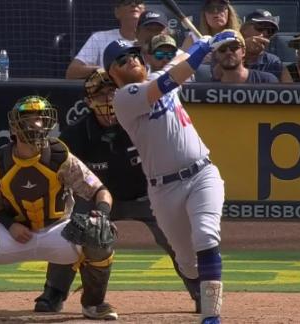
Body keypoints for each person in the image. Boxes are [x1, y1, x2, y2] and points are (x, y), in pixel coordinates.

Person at [0, 96, 119, 321]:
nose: (36, 124)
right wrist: (10, 224)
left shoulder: (61, 157)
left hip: (59, 232)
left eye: (40, 118)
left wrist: (103, 214)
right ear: (15, 127)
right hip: (15, 235)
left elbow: (100, 190)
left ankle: (94, 305)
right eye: (29, 119)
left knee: (98, 235)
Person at [33, 69, 201, 314]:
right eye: (101, 95)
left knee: (174, 236)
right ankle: (53, 293)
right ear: (88, 102)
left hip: (147, 195)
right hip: (96, 197)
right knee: (71, 232)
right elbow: (64, 174)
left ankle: (198, 288)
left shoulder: (144, 121)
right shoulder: (77, 134)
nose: (109, 99)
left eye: (113, 92)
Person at [103, 29, 238, 323]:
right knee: (188, 264)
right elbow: (169, 80)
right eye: (122, 59)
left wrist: (200, 43)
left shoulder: (158, 77)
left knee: (205, 233)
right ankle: (196, 280)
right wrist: (203, 50)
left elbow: (179, 61)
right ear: (112, 71)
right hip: (164, 190)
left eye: (135, 55)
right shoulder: (124, 98)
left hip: (202, 173)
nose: (132, 60)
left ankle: (211, 317)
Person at [65, 0, 145, 79]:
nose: (134, 4)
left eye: (138, 2)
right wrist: (108, 71)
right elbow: (72, 72)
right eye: (127, 2)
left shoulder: (153, 39)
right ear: (117, 12)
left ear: (144, 10)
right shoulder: (100, 38)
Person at [212, 29, 278, 83]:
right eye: (222, 49)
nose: (228, 52)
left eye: (234, 47)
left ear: (243, 51)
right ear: (215, 55)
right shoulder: (210, 87)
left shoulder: (267, 81)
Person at [240, 9, 282, 79]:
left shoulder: (273, 62)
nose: (265, 33)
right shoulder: (228, 53)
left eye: (270, 30)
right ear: (244, 29)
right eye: (260, 27)